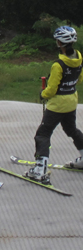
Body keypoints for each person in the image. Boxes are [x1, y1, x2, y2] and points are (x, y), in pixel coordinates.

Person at [25, 26, 83, 183]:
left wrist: (43, 94)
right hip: (71, 101)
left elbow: (51, 90)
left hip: (57, 105)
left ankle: (39, 169)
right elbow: (80, 79)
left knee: (43, 134)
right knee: (71, 129)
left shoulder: (58, 65)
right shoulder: (78, 57)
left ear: (60, 43)